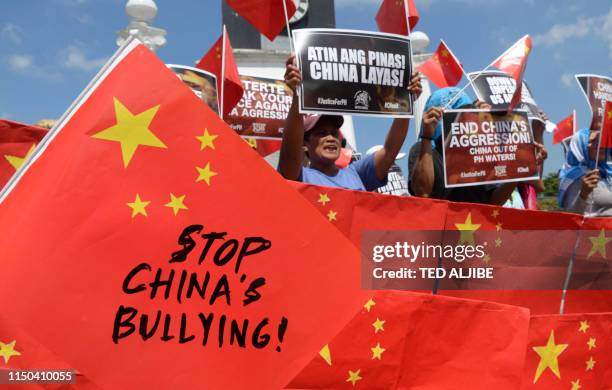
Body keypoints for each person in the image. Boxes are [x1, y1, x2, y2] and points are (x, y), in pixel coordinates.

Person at [278, 55, 422, 191]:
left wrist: (405, 101)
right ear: (305, 144)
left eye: (334, 133)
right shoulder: (299, 177)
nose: (330, 138)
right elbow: (290, 153)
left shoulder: (357, 173)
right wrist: (298, 95)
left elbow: (390, 151)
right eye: (321, 133)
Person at [408, 87, 547, 205]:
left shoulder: (479, 152)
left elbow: (495, 201)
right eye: (457, 114)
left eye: (468, 113)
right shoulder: (422, 150)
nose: (463, 119)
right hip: (440, 233)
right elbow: (423, 193)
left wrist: (517, 170)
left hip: (478, 232)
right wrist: (426, 137)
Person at [559, 128, 612, 216]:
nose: (600, 145)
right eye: (593, 141)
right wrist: (583, 194)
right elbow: (570, 215)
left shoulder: (608, 173)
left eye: (602, 140)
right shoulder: (575, 176)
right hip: (596, 229)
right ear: (580, 145)